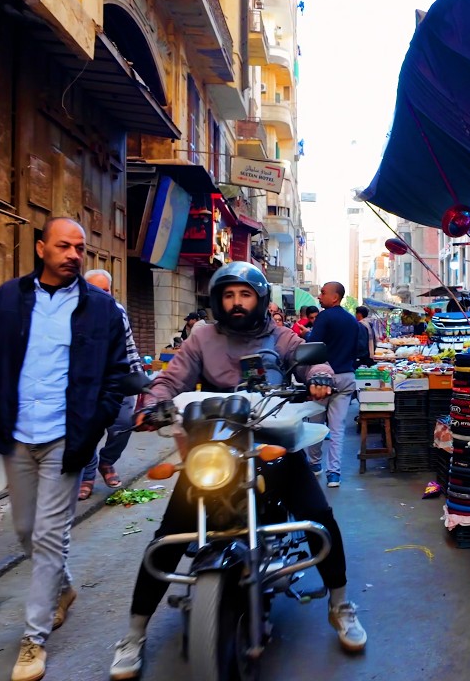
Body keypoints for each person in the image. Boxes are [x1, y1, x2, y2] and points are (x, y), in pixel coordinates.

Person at [107, 262, 366, 679]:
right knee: (170, 534)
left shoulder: (279, 336)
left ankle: (340, 605)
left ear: (259, 300)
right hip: (214, 445)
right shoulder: (201, 338)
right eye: (229, 295)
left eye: (244, 295)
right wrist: (154, 401)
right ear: (217, 300)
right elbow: (171, 380)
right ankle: (134, 633)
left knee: (319, 516)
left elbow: (308, 362)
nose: (237, 303)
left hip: (271, 439)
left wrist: (319, 377)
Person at [0, 218, 129, 681]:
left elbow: (118, 374)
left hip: (65, 439)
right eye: (63, 245)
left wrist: (97, 420)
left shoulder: (103, 310)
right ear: (41, 248)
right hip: (15, 434)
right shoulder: (9, 300)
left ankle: (33, 640)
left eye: (80, 247)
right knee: (27, 530)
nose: (73, 254)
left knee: (50, 536)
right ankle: (63, 588)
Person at [78, 269, 144, 500]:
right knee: (87, 430)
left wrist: (140, 378)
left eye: (106, 290)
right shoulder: (75, 311)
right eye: (97, 290)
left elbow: (129, 345)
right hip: (89, 383)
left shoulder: (118, 311)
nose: (102, 295)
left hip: (119, 379)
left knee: (124, 424)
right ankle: (87, 475)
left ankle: (107, 462)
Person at [307, 282, 362, 488]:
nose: (319, 297)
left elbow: (313, 346)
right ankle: (334, 474)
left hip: (323, 378)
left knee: (315, 424)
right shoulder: (352, 321)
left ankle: (314, 465)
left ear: (335, 297)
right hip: (347, 377)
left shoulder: (324, 317)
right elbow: (358, 351)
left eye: (323, 293)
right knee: (337, 428)